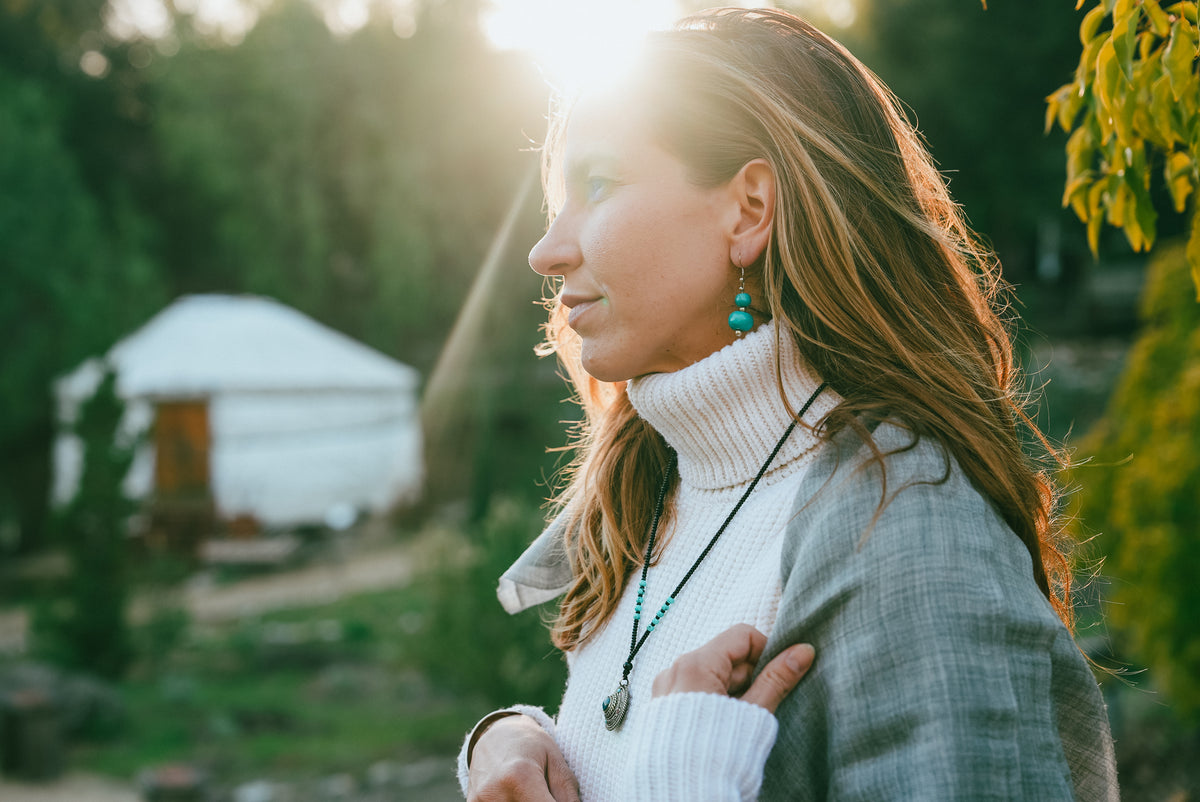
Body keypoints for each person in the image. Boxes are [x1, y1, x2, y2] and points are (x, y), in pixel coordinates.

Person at [458, 8, 1119, 801]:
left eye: (598, 185)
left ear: (749, 209)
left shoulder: (908, 524)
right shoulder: (645, 494)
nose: (546, 250)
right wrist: (511, 740)